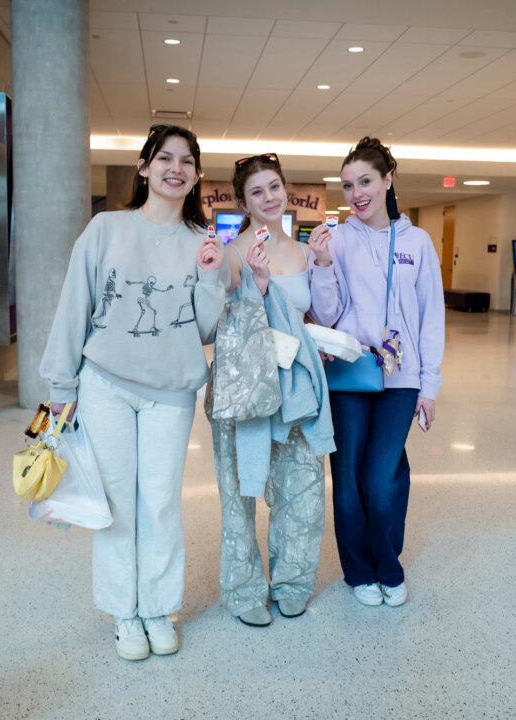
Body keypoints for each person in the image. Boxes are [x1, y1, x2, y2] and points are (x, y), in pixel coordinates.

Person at [39, 124, 225, 661]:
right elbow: (75, 305)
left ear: (195, 175)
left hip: (172, 391)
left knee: (161, 502)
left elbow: (207, 329)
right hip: (106, 385)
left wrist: (213, 277)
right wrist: (60, 386)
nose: (176, 168)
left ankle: (158, 608)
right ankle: (125, 613)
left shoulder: (201, 243)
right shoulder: (106, 228)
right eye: (165, 157)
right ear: (144, 168)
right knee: (118, 503)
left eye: (187, 160)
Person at [307, 137, 445, 608]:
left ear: (388, 181)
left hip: (401, 379)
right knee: (347, 479)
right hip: (350, 375)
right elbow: (326, 315)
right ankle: (360, 572)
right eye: (347, 186)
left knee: (381, 476)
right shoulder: (337, 240)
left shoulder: (418, 242)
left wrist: (430, 387)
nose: (356, 193)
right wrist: (322, 264)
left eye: (365, 181)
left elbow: (431, 318)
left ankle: (389, 563)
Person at [210, 153, 333, 627]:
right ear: (243, 200)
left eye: (274, 187)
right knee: (239, 493)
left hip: (295, 386)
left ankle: (293, 583)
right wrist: (256, 287)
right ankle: (243, 592)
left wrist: (322, 265)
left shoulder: (303, 252)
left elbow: (320, 314)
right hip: (245, 392)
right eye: (257, 191)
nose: (268, 197)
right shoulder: (231, 253)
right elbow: (222, 326)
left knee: (302, 489)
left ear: (285, 190)